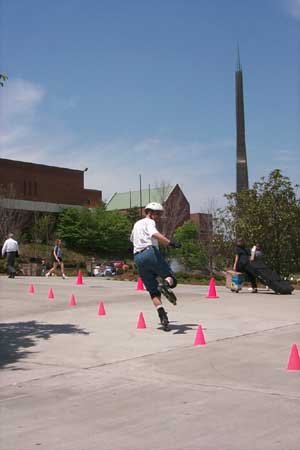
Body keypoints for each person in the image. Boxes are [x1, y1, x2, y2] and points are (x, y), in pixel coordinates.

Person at [130, 202, 180, 331]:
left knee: (153, 291)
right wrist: (170, 243)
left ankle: (162, 315)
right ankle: (165, 285)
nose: (158, 216)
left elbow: (132, 239)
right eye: (157, 213)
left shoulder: (136, 224)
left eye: (160, 214)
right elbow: (154, 234)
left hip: (138, 258)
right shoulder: (150, 222)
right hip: (150, 253)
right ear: (149, 213)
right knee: (171, 279)